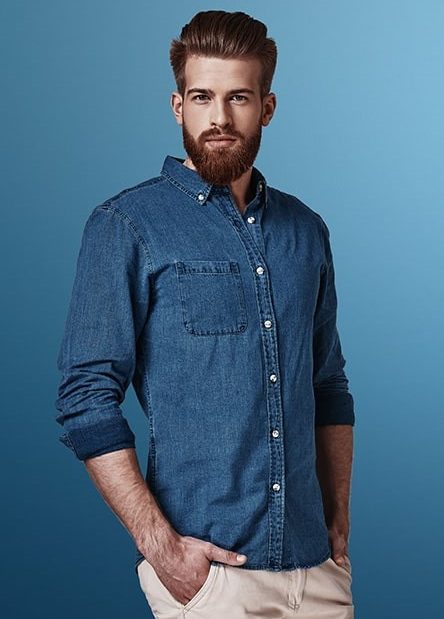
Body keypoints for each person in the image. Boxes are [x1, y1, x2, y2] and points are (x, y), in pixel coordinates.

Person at [55, 9, 356, 619]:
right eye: (202, 97)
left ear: (267, 107)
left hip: (317, 571)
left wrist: (337, 522)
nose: (219, 118)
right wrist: (161, 549)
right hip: (210, 579)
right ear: (178, 106)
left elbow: (328, 386)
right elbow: (86, 398)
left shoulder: (306, 231)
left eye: (238, 97)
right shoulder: (127, 226)